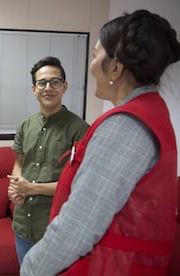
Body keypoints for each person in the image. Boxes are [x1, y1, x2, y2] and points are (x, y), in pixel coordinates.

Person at [21, 9, 180, 276]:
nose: (91, 64)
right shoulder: (151, 110)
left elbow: (78, 226)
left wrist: (32, 268)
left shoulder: (125, 125)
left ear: (115, 68)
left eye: (95, 55)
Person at [7, 56, 89, 265]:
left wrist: (31, 188)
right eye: (42, 83)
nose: (48, 88)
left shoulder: (79, 129)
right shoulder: (25, 125)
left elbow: (79, 184)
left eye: (55, 82)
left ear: (64, 87)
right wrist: (17, 187)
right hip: (23, 223)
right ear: (34, 89)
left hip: (56, 226)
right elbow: (19, 163)